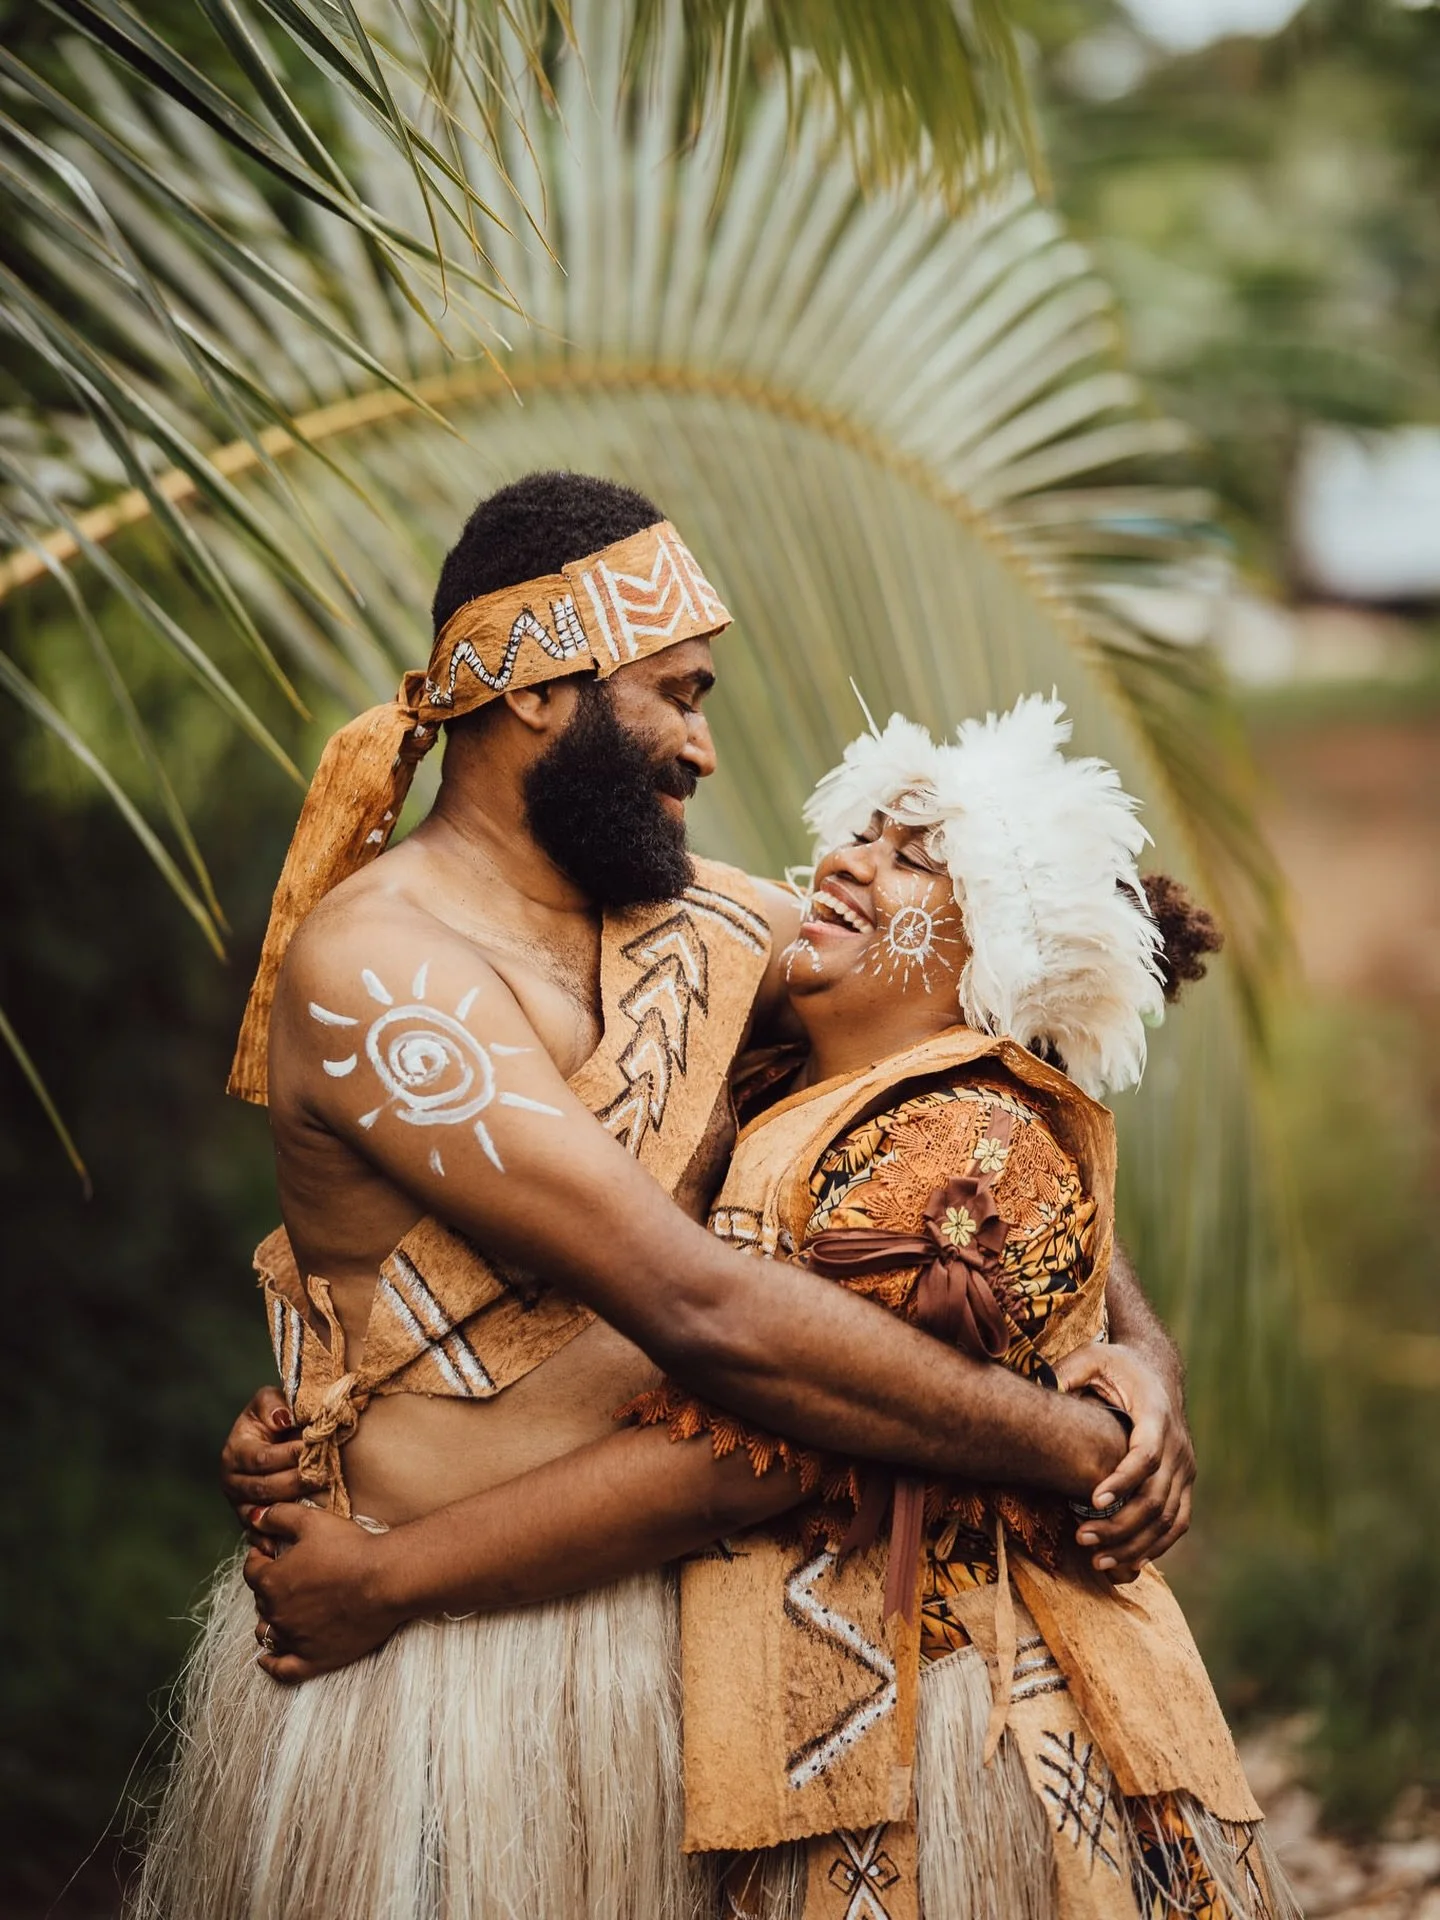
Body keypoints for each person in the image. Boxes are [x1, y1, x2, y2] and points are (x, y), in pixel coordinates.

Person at [132, 470, 1188, 1920]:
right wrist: (1058, 1442)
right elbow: (695, 1306)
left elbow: (997, 1102)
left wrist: (1136, 1357)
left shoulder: (716, 923)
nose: (702, 745)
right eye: (676, 694)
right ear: (537, 692)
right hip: (442, 1679)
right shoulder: (384, 972)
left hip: (705, 1646)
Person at [242, 700, 1298, 1920]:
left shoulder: (959, 1143)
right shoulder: (801, 1073)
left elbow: (753, 1457)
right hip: (817, 1708)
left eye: (912, 859)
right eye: (863, 832)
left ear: (996, 962)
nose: (845, 860)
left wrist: (388, 1582)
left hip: (961, 1729)